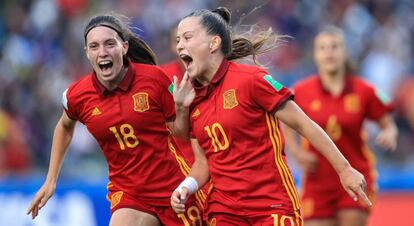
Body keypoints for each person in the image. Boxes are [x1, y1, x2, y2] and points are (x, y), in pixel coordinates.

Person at [170, 7, 371, 226]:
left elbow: (303, 124)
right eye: (178, 40)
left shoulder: (251, 80)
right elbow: (202, 163)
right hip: (224, 209)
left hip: (271, 205)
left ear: (214, 43)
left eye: (187, 37)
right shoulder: (191, 99)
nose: (180, 45)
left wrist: (344, 169)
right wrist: (185, 187)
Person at [26, 13, 206, 226]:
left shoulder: (155, 79)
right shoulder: (78, 95)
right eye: (94, 46)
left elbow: (181, 133)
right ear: (86, 53)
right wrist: (51, 179)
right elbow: (64, 126)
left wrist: (181, 108)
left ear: (124, 47)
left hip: (174, 187)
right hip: (129, 193)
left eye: (109, 44)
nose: (102, 52)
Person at [283, 26, 398, 226]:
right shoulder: (301, 91)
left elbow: (388, 124)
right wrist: (296, 152)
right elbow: (285, 120)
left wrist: (389, 134)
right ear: (315, 55)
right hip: (317, 181)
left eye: (334, 47)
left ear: (344, 52)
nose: (329, 52)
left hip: (355, 174)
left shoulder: (365, 90)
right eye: (323, 48)